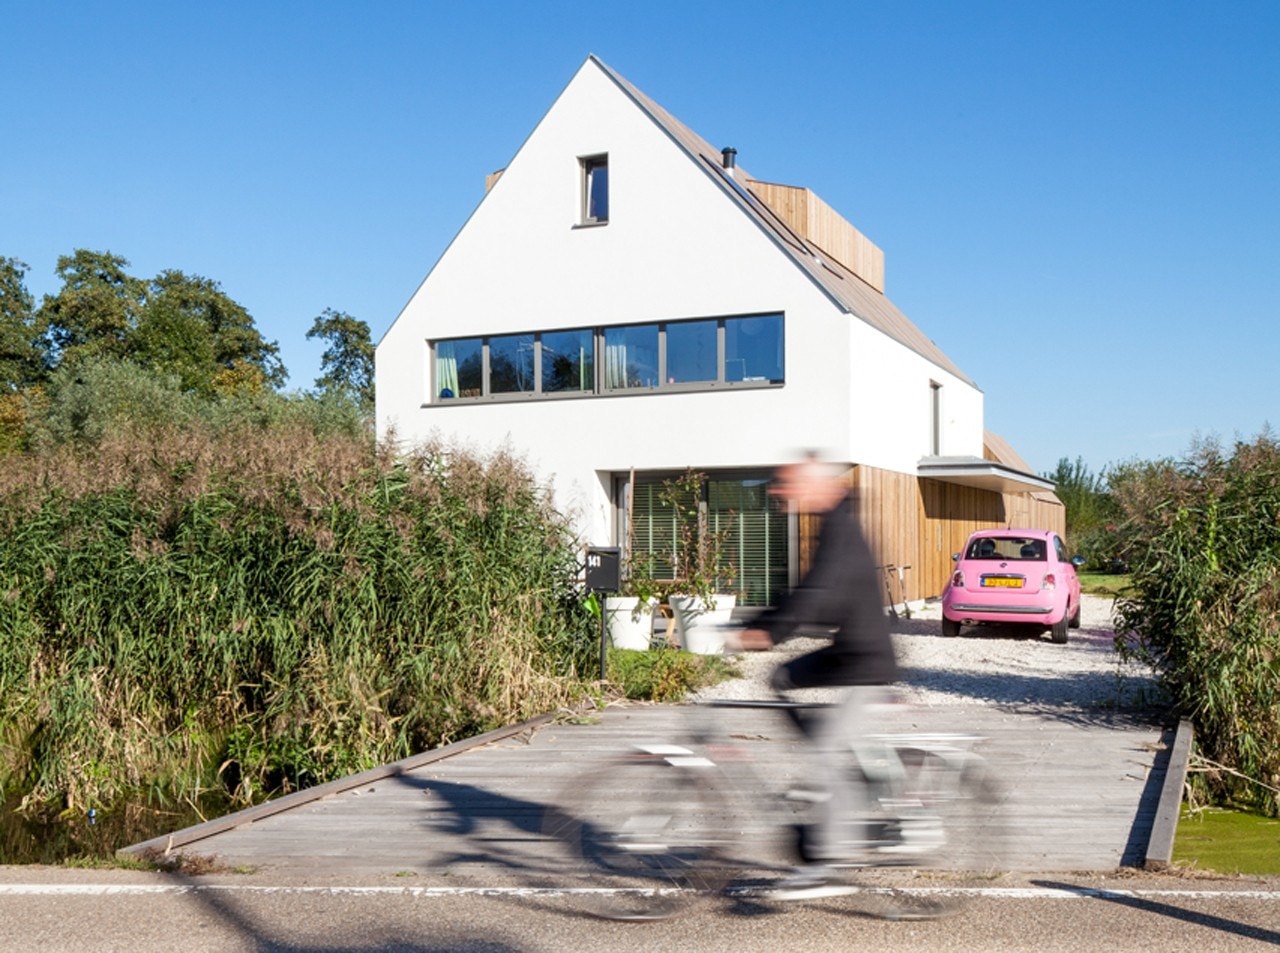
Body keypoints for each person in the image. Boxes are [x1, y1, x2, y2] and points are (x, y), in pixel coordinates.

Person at [736, 453, 900, 900]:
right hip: (848, 653)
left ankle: (824, 866)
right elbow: (805, 592)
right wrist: (755, 623)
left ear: (813, 484)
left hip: (864, 661)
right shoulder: (832, 521)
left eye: (784, 483)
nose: (777, 491)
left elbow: (821, 595)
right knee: (781, 678)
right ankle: (828, 765)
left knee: (827, 755)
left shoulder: (841, 527)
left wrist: (769, 632)